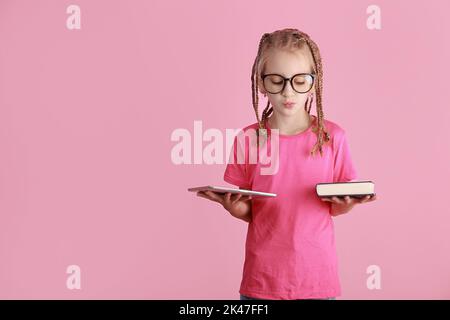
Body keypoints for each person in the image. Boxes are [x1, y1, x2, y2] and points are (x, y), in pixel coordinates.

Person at [196, 28, 377, 300]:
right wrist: (234, 207)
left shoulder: (331, 138)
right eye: (277, 80)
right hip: (263, 280)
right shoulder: (249, 139)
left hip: (317, 279)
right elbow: (253, 212)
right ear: (261, 82)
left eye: (299, 80)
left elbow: (334, 208)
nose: (288, 91)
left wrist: (348, 202)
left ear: (314, 82)